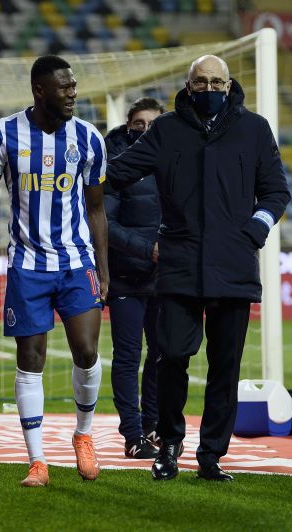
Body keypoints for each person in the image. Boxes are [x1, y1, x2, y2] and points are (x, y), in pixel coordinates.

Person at [107, 55, 290, 482]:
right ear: (188, 87)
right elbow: (117, 173)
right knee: (170, 357)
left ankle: (211, 456)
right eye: (201, 82)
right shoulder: (166, 130)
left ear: (229, 86)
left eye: (216, 82)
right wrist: (102, 150)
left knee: (225, 367)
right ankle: (169, 447)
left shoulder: (255, 129)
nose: (209, 89)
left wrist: (253, 231)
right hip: (179, 265)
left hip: (234, 266)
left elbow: (276, 191)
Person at [0, 55, 109, 488]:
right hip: (27, 266)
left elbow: (97, 209)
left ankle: (83, 435)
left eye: (74, 86)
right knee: (31, 359)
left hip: (77, 262)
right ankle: (38, 461)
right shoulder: (3, 134)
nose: (73, 93)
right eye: (65, 87)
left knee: (86, 352)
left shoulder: (89, 138)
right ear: (40, 90)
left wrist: (105, 267)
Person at [103, 97, 165, 459]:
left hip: (166, 276)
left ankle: (153, 424)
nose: (145, 129)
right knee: (128, 356)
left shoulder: (176, 159)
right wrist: (148, 249)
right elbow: (106, 224)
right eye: (139, 123)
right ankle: (132, 432)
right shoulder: (114, 164)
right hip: (126, 275)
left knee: (162, 354)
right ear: (129, 126)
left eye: (153, 123)